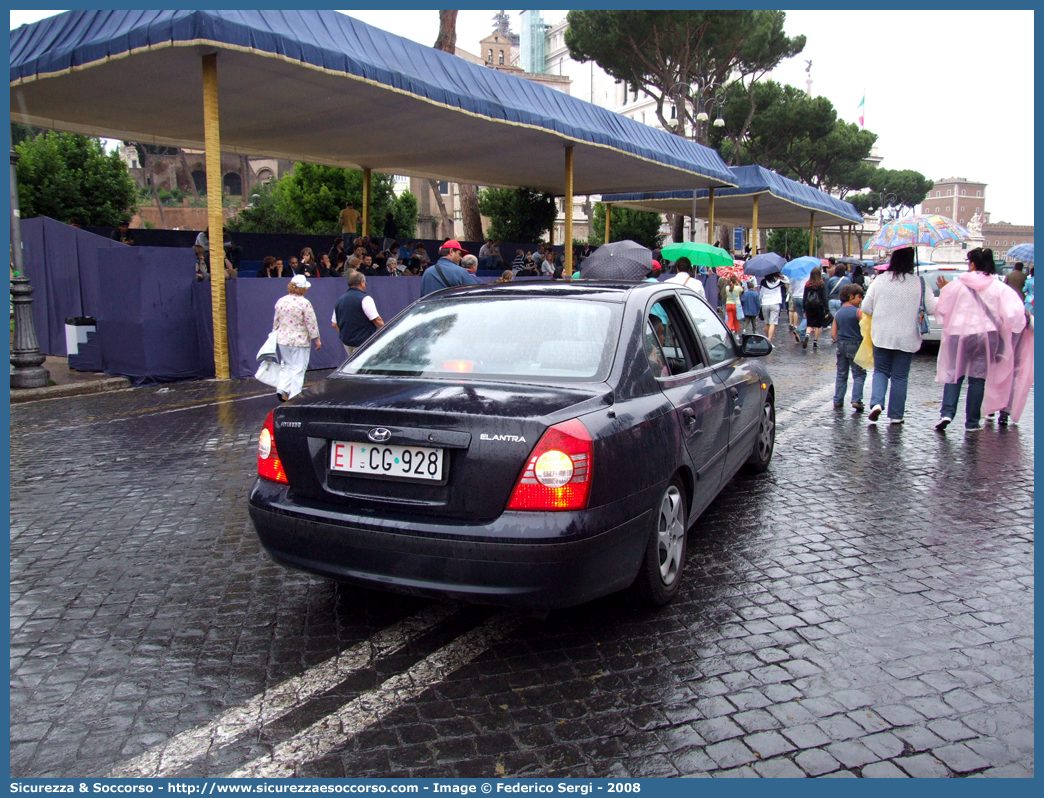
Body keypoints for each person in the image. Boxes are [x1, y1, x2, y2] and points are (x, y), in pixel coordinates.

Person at [934, 247, 1030, 432]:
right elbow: (1014, 313)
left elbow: (942, 308)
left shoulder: (957, 284)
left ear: (972, 264)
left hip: (958, 334)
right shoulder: (999, 287)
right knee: (977, 379)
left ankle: (947, 413)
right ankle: (972, 422)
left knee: (954, 375)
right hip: (986, 335)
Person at [860, 246, 937, 424]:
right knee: (900, 376)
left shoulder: (880, 281)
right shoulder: (920, 282)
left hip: (882, 334)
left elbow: (866, 307)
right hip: (908, 336)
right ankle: (896, 415)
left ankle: (877, 403)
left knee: (880, 371)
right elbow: (932, 308)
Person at [272, 274, 322, 402]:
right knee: (298, 368)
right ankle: (295, 396)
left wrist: (274, 334)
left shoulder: (281, 301)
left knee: (288, 364)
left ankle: (283, 387)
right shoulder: (305, 303)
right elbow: (311, 322)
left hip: (283, 339)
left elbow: (276, 321)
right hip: (300, 340)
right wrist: (316, 338)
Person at [831, 283, 867, 411]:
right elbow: (865, 328)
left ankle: (838, 400)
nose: (861, 300)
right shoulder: (859, 312)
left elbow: (833, 334)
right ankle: (856, 400)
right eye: (859, 297)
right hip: (856, 345)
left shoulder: (838, 313)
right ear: (852, 297)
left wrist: (838, 341)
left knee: (841, 374)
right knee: (859, 374)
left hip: (841, 346)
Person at [332, 270, 384, 357]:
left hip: (347, 343)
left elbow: (334, 324)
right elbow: (377, 320)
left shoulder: (339, 300)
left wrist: (345, 336)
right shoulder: (365, 299)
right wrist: (387, 333)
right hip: (364, 342)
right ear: (362, 282)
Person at [801, 267, 829, 349]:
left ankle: (807, 334)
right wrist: (826, 310)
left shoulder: (807, 284)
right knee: (818, 325)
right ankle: (815, 342)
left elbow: (804, 297)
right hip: (819, 306)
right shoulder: (821, 284)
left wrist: (804, 308)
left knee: (809, 323)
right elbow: (824, 298)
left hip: (809, 306)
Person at [759, 272, 785, 341]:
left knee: (767, 323)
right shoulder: (778, 281)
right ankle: (769, 340)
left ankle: (767, 340)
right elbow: (787, 280)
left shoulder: (763, 282)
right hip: (775, 303)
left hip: (765, 303)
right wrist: (780, 276)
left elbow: (761, 294)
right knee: (772, 323)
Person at [789, 268, 810, 343]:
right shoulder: (807, 276)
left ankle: (802, 337)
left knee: (801, 317)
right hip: (803, 298)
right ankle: (799, 330)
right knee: (807, 317)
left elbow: (791, 289)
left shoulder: (794, 278)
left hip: (795, 297)